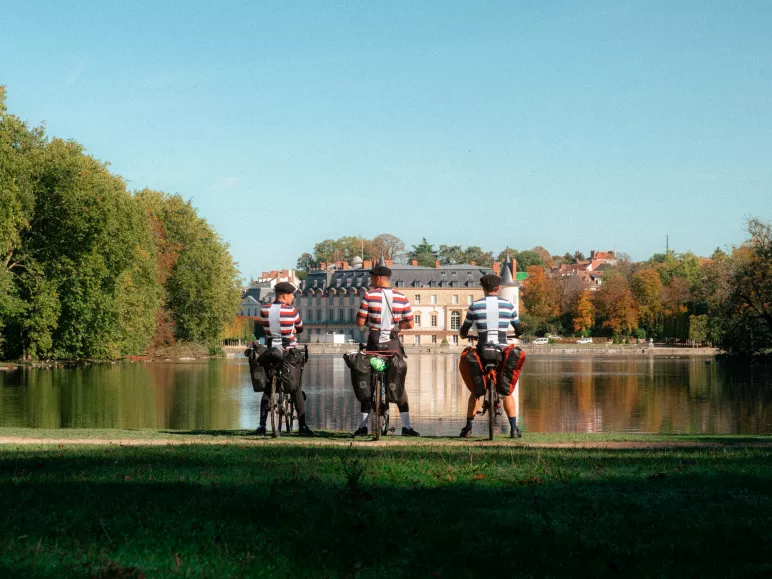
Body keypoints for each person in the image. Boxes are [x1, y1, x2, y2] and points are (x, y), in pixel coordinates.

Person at [354, 263, 420, 436]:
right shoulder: (401, 297)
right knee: (398, 384)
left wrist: (370, 322)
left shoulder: (369, 295)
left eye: (371, 278)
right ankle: (406, 427)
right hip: (393, 344)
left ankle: (363, 426)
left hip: (374, 342)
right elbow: (410, 323)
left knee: (368, 382)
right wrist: (397, 326)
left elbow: (360, 322)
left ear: (377, 278)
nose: (370, 281)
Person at [459, 273, 523, 438]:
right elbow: (519, 328)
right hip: (502, 350)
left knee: (475, 392)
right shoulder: (508, 306)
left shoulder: (475, 306)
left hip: (482, 349)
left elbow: (464, 330)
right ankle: (514, 429)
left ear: (483, 289)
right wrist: (517, 332)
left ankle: (468, 428)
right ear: (499, 288)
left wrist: (465, 334)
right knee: (506, 391)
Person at [255, 281, 313, 436]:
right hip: (289, 353)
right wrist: (291, 329)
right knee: (296, 388)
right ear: (285, 295)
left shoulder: (265, 310)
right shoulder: (291, 311)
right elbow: (300, 328)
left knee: (268, 389)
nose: (293, 297)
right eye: (292, 295)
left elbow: (265, 327)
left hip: (272, 352)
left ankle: (261, 426)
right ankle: (302, 426)